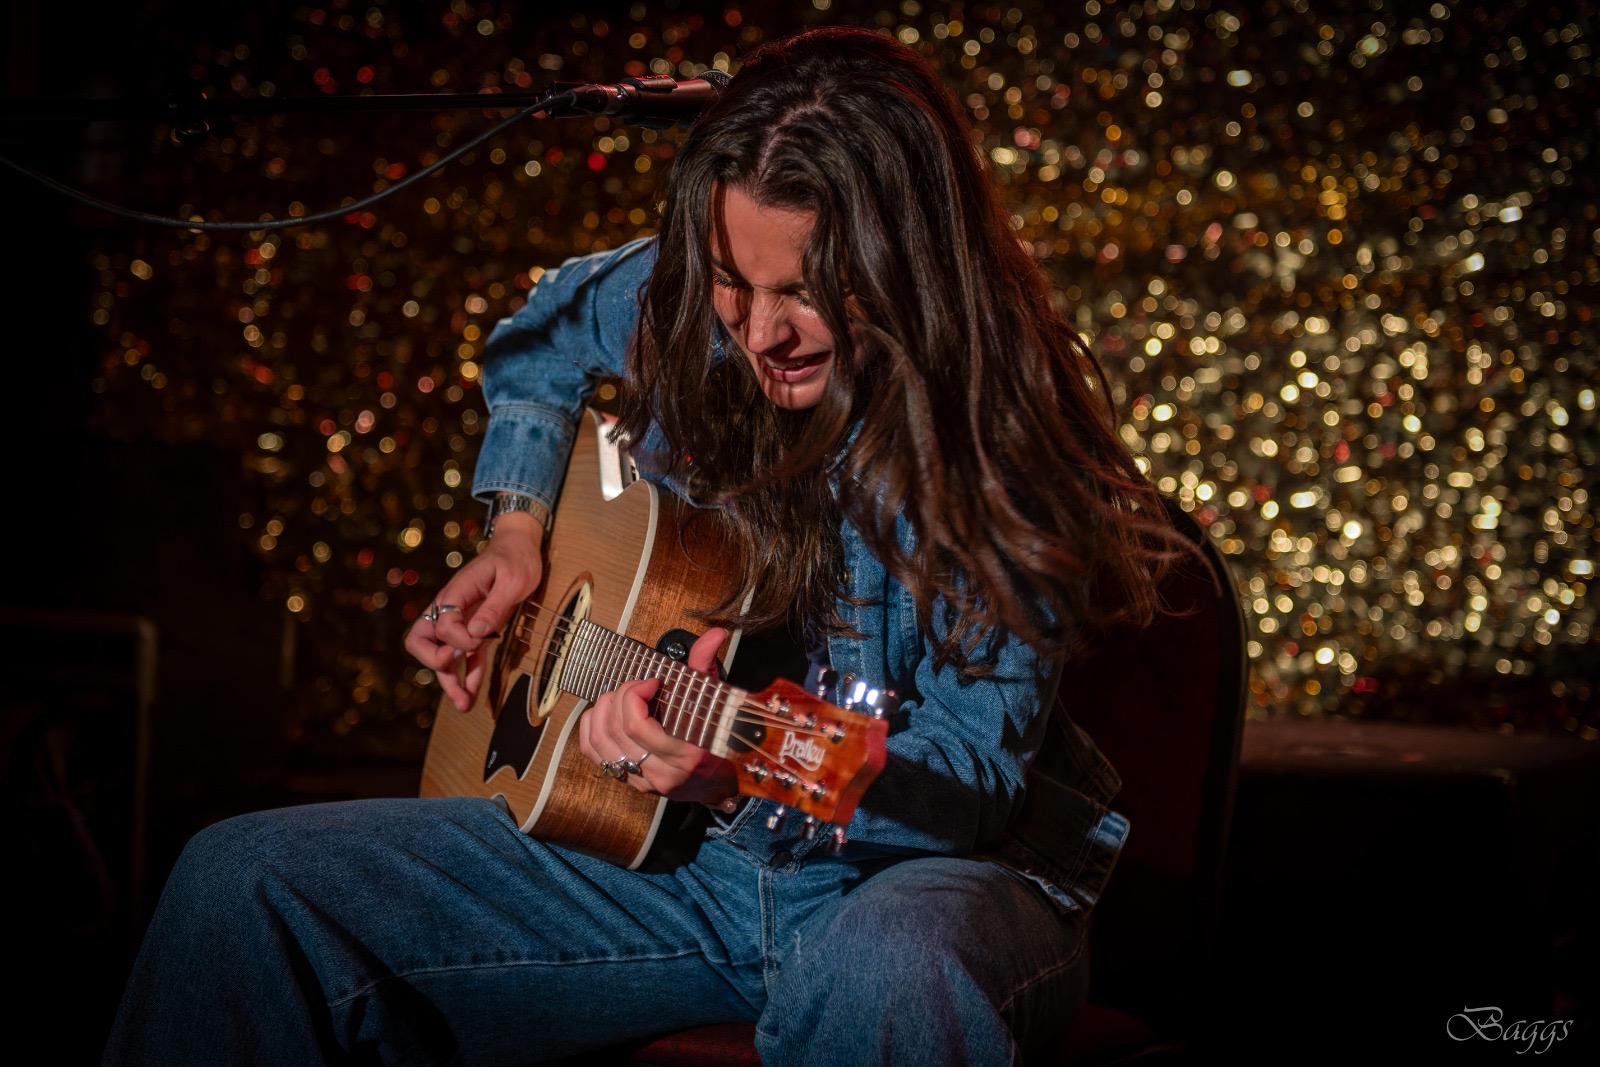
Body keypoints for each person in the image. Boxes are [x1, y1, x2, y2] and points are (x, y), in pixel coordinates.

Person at [103, 25, 1191, 1066]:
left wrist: (742, 770)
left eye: (804, 292)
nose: (758, 332)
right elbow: (539, 333)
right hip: (685, 871)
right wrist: (517, 531)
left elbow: (968, 787)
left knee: (893, 968)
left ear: (906, 263)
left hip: (925, 887)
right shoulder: (688, 304)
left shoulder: (1007, 454)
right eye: (734, 283)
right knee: (240, 881)